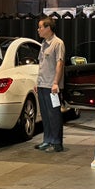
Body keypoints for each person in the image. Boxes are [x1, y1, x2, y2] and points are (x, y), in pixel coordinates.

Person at [35, 16, 66, 152]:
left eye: (41, 27)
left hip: (51, 86)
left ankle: (57, 141)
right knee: (45, 115)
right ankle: (47, 140)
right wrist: (37, 82)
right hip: (42, 85)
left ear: (48, 28)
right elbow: (42, 65)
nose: (38, 30)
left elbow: (60, 64)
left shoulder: (57, 43)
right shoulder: (43, 44)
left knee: (54, 114)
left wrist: (55, 83)